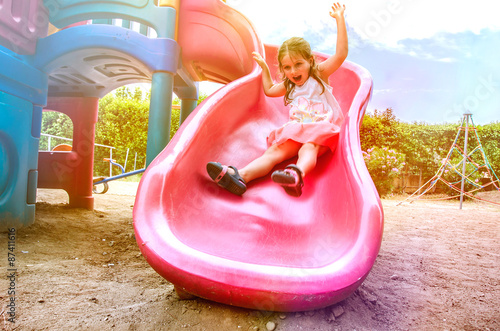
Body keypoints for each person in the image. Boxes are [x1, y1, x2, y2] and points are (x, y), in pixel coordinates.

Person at [207, 2, 348, 197]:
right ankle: (241, 177)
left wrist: (340, 19)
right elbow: (270, 90)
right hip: (296, 129)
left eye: (299, 64)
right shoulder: (290, 85)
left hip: (319, 129)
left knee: (309, 147)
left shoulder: (318, 75)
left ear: (311, 61)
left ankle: (296, 175)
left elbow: (341, 55)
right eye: (287, 67)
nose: (293, 71)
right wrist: (265, 69)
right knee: (274, 153)